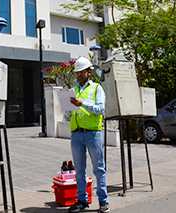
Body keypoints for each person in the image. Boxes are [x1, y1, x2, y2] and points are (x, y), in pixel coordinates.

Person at [68, 56, 110, 213]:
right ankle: (82, 201)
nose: (78, 75)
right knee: (79, 170)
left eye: (81, 72)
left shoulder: (97, 88)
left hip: (93, 133)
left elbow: (100, 109)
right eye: (76, 73)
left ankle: (103, 201)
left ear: (88, 72)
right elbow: (73, 109)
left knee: (99, 169)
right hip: (77, 133)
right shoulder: (75, 89)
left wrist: (82, 104)